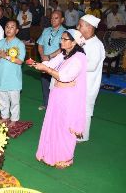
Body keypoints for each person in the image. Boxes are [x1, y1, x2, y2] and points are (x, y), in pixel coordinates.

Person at [33, 29, 87, 168]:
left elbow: (65, 76)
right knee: (54, 124)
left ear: (74, 42)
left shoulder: (79, 58)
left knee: (65, 128)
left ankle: (67, 158)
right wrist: (37, 65)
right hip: (57, 94)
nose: (61, 41)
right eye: (61, 38)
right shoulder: (65, 54)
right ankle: (51, 153)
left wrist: (47, 70)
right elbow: (50, 64)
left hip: (69, 98)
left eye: (64, 39)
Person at [0, 20, 26, 127]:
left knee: (14, 100)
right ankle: (5, 116)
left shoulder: (19, 44)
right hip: (1, 77)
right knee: (2, 99)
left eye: (12, 27)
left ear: (16, 30)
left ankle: (14, 119)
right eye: (7, 26)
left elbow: (20, 61)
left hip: (13, 78)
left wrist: (5, 56)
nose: (8, 29)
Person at [77, 14, 105, 142]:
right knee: (77, 109)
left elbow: (92, 66)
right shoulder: (82, 40)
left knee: (86, 111)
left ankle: (83, 136)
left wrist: (74, 65)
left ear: (89, 27)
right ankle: (76, 131)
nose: (78, 27)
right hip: (78, 82)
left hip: (89, 84)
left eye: (80, 25)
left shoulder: (96, 45)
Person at [37, 10, 66, 110]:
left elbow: (63, 48)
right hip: (45, 61)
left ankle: (57, 106)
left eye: (56, 18)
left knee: (57, 85)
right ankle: (46, 103)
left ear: (62, 20)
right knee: (45, 82)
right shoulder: (46, 30)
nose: (53, 20)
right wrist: (42, 56)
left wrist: (49, 56)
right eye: (52, 18)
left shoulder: (65, 32)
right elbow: (40, 44)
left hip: (58, 62)